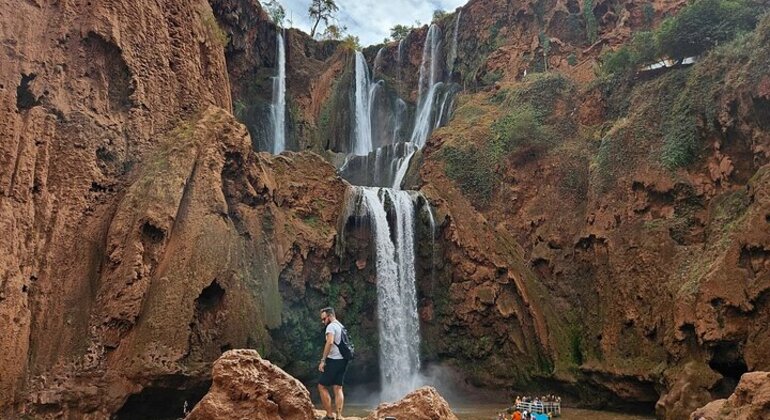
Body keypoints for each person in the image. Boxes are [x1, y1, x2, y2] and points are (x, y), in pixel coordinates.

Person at [317, 307, 349, 420]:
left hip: (334, 360)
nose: (323, 322)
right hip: (343, 360)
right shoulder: (340, 325)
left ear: (330, 316)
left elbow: (330, 342)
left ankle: (330, 415)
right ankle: (339, 416)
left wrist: (323, 360)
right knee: (338, 387)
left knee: (321, 386)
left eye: (324, 319)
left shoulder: (331, 326)